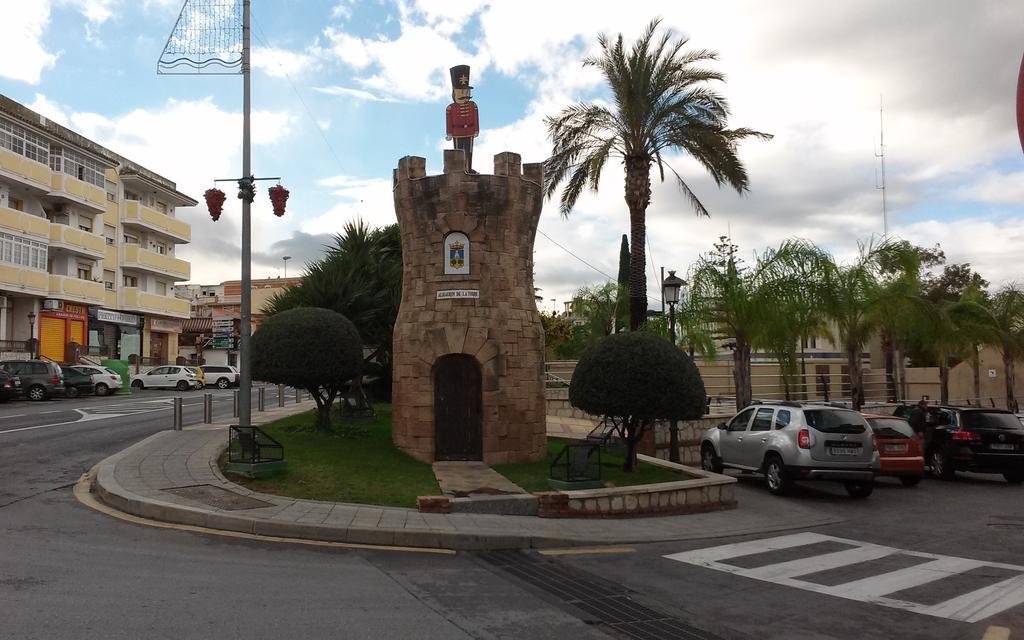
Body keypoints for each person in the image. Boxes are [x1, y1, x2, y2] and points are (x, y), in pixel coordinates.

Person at [445, 65, 479, 172]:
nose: (465, 94)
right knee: (458, 151)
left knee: (469, 151)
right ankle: (459, 170)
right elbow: (449, 121)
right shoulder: (451, 108)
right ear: (455, 92)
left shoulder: (473, 105)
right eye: (462, 91)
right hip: (457, 132)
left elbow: (476, 118)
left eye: (466, 91)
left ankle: (468, 169)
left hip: (469, 131)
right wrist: (449, 133)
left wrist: (476, 130)